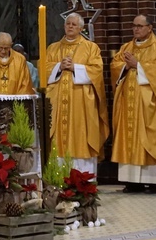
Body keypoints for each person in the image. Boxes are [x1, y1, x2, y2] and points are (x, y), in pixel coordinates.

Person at [110, 15, 156, 193]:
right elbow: (115, 65)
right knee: (129, 137)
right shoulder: (126, 47)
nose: (136, 29)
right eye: (134, 26)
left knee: (151, 137)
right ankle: (131, 181)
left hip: (151, 103)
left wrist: (138, 65)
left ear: (150, 28)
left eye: (140, 26)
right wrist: (125, 66)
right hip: (129, 103)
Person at [45, 12, 109, 175]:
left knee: (81, 134)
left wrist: (76, 68)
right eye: (68, 23)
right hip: (58, 101)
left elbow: (97, 71)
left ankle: (83, 181)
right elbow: (43, 70)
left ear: (81, 28)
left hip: (81, 103)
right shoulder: (53, 48)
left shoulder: (90, 47)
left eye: (74, 24)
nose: (70, 26)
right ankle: (58, 178)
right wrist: (58, 67)